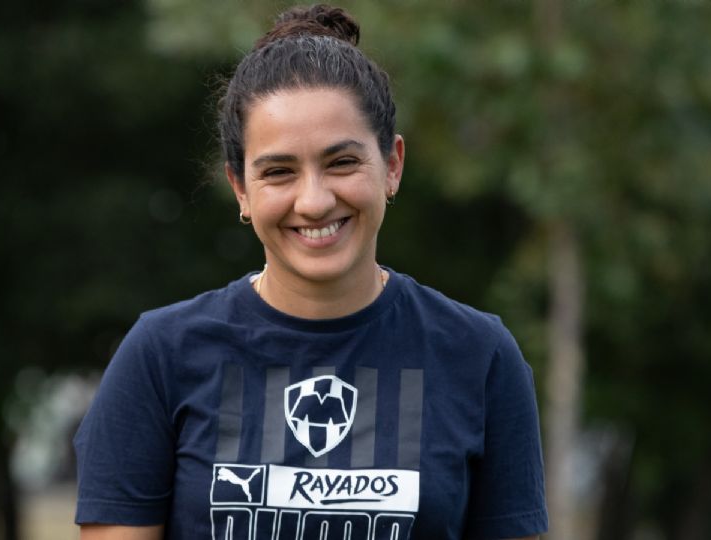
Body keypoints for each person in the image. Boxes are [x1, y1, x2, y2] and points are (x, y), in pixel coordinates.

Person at [73, 4, 548, 539]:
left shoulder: (480, 355)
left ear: (391, 164)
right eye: (278, 172)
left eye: (342, 162)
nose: (315, 200)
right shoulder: (160, 355)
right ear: (240, 189)